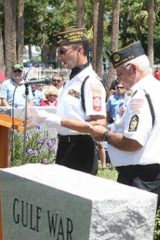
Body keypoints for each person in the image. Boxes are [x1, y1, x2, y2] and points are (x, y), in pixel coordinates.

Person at [89, 41, 160, 208]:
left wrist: (104, 135)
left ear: (133, 69)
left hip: (141, 174)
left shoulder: (141, 94)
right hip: (142, 172)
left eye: (119, 74)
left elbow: (133, 142)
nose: (118, 80)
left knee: (131, 232)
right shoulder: (151, 88)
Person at [30, 26, 106, 175]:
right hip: (65, 147)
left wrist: (59, 121)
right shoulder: (72, 80)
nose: (59, 56)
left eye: (63, 51)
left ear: (79, 50)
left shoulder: (90, 82)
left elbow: (99, 125)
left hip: (81, 150)